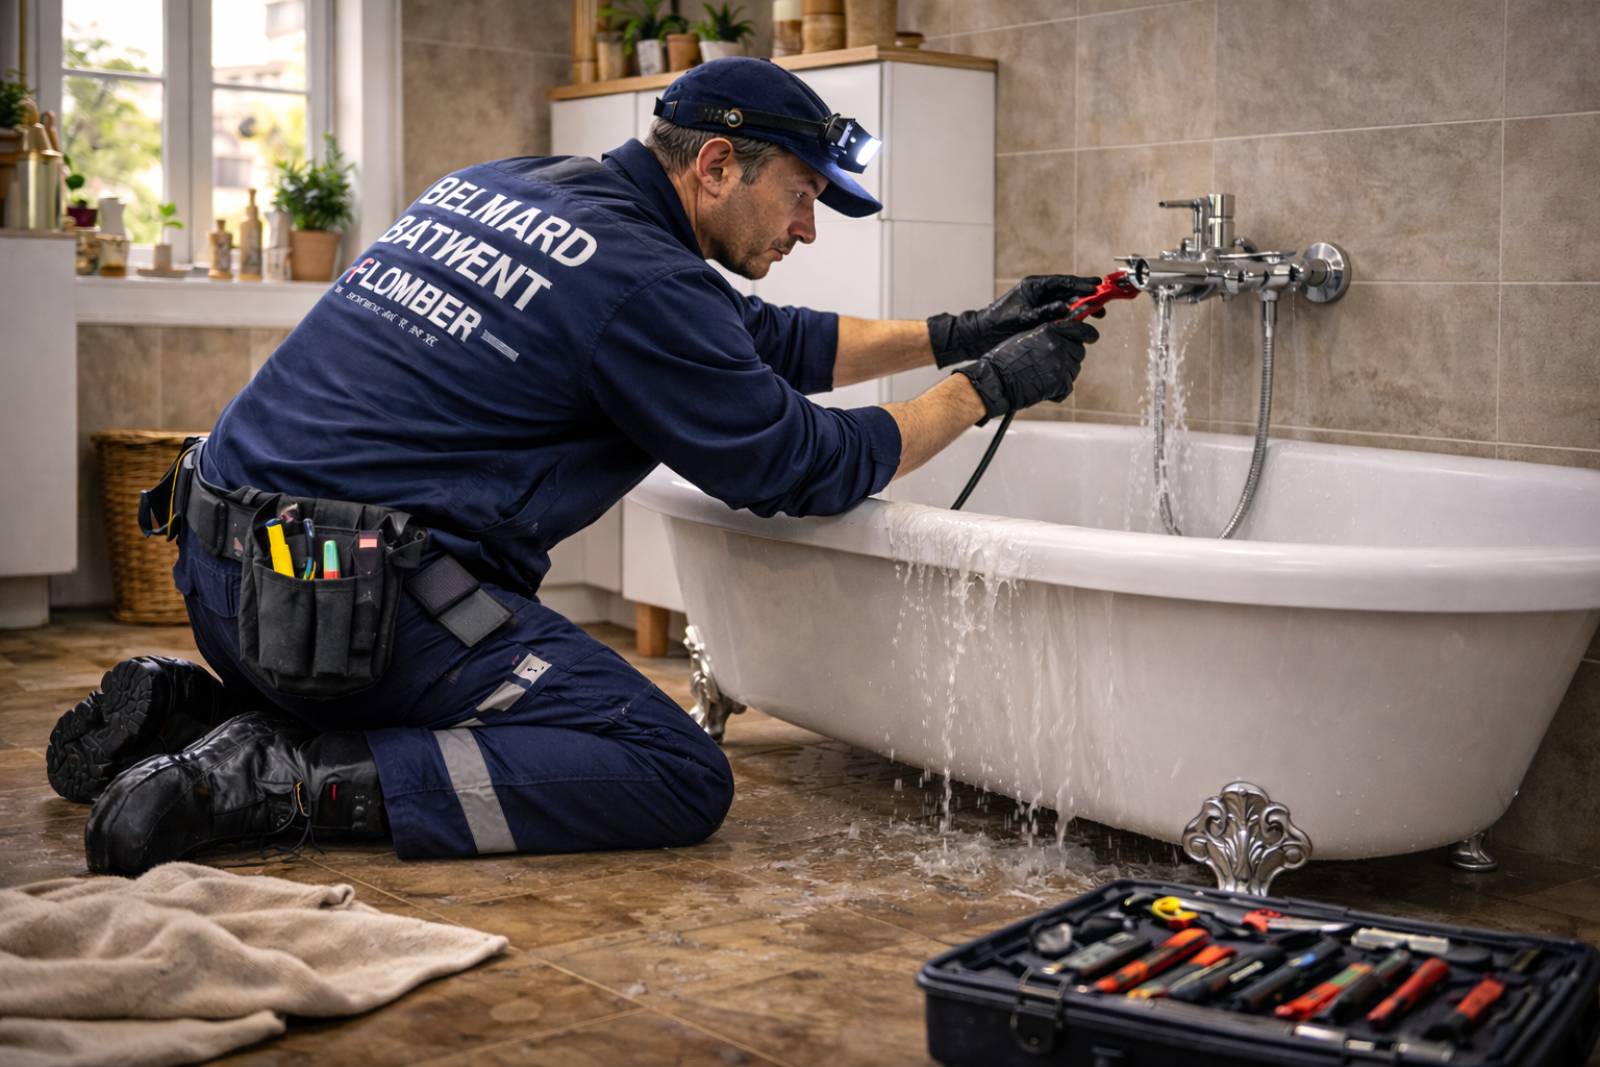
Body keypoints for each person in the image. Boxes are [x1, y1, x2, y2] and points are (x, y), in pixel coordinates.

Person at [49, 58, 1101, 875]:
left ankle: (204, 716)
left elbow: (767, 340)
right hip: (346, 610)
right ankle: (280, 775)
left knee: (472, 644)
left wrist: (963, 330)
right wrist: (983, 389)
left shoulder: (510, 185)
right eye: (799, 193)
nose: (807, 227)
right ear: (716, 166)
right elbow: (803, 463)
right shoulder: (646, 286)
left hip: (227, 575)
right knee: (670, 770)